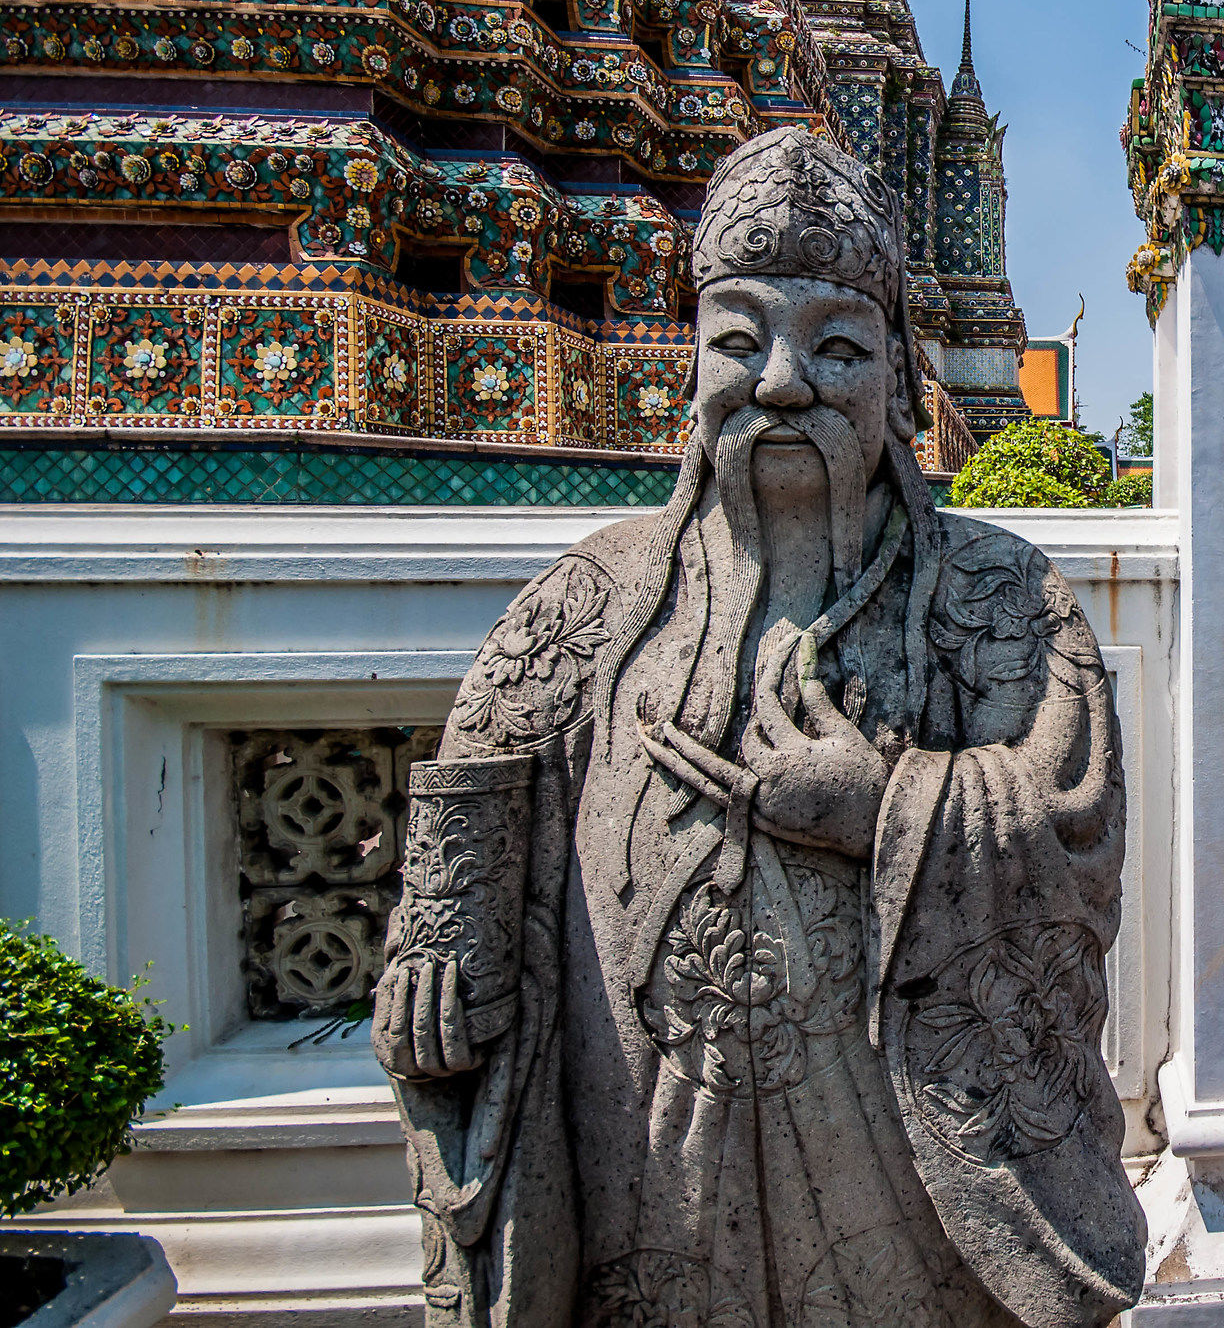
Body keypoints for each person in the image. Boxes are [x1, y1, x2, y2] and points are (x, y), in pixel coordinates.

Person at [372, 128, 1144, 1328]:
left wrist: (884, 808)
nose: (783, 381)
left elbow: (1075, 816)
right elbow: (477, 796)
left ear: (899, 374)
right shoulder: (590, 602)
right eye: (738, 340)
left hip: (911, 1183)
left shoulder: (998, 596)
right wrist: (436, 959)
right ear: (691, 365)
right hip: (651, 1180)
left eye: (836, 345)